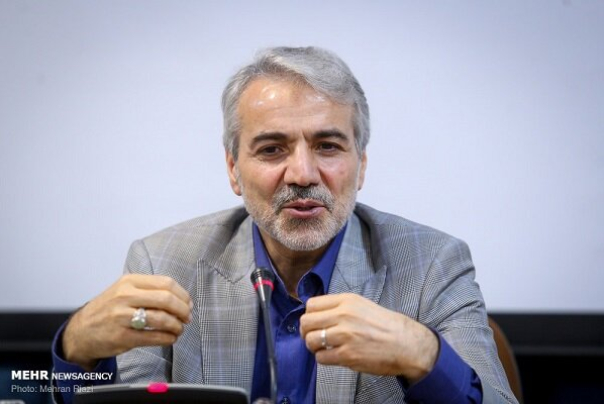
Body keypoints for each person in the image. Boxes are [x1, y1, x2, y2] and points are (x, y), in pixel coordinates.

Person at [52, 46, 518, 404]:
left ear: (361, 165)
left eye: (328, 146)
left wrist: (423, 355)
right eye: (272, 149)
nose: (302, 174)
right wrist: (76, 352)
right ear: (233, 169)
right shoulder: (164, 262)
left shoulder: (433, 264)